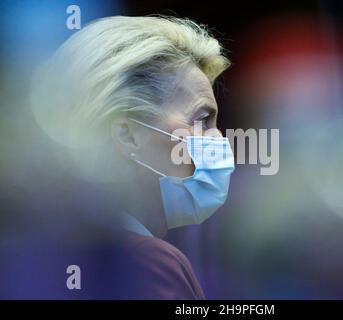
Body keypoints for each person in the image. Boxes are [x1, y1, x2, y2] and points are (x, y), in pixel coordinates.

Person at [25, 15, 234, 299]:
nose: (219, 140)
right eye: (201, 121)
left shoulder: (37, 251)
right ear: (126, 135)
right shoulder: (148, 264)